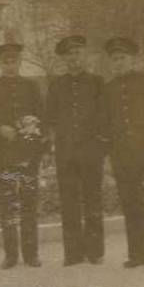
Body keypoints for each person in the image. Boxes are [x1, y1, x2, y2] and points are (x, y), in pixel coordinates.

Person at [102, 37, 144, 276]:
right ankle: (137, 254)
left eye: (122, 58)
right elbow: (106, 126)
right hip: (121, 157)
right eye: (114, 59)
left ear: (132, 59)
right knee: (130, 204)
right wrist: (109, 157)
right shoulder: (109, 89)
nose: (119, 63)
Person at [0, 42, 45, 268]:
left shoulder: (31, 86)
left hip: (28, 156)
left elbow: (43, 116)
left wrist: (34, 130)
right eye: (6, 61)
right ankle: (11, 255)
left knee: (28, 204)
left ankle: (31, 254)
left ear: (19, 62)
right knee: (6, 204)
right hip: (3, 157)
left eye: (14, 61)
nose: (10, 65)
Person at [45, 35, 108, 266]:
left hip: (91, 152)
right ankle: (73, 253)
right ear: (64, 58)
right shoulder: (56, 85)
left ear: (85, 55)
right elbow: (50, 118)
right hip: (66, 153)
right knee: (69, 202)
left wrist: (101, 147)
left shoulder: (97, 82)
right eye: (70, 54)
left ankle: (95, 252)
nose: (74, 58)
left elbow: (104, 116)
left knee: (93, 200)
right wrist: (53, 146)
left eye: (78, 53)